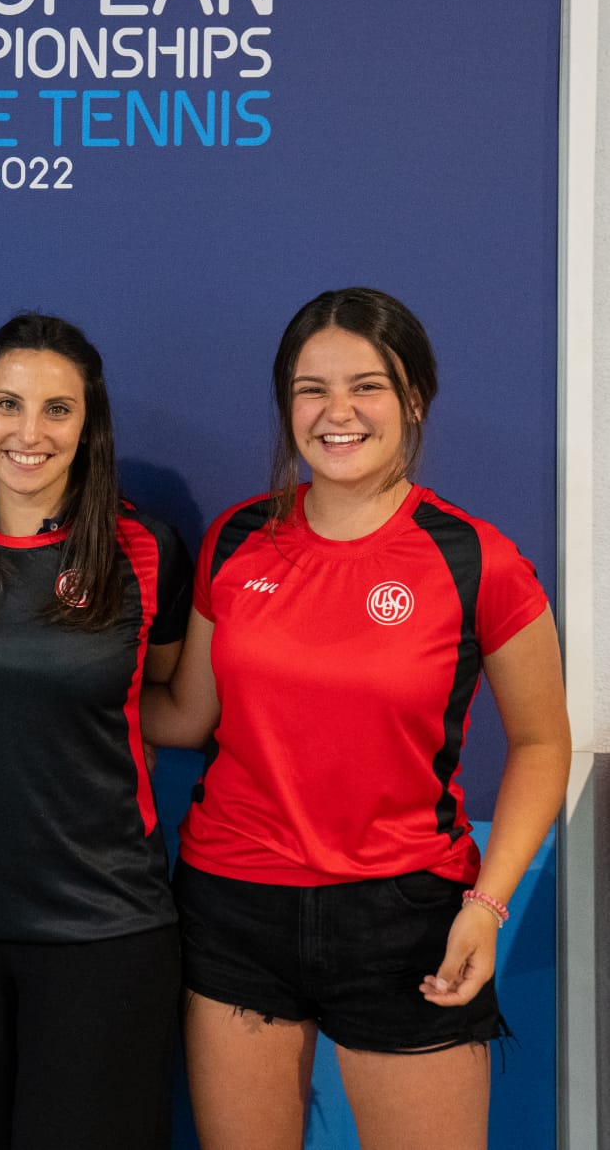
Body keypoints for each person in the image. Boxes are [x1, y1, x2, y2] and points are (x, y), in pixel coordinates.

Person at [142, 287, 571, 1150]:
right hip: (235, 907)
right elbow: (185, 714)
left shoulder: (474, 558)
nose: (336, 412)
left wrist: (486, 907)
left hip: (405, 917)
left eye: (365, 386)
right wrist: (49, 680)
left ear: (413, 399)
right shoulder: (237, 539)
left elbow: (540, 742)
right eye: (310, 389)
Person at [0, 314, 191, 1149]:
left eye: (56, 409)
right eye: (8, 405)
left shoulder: (144, 551)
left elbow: (166, 695)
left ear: (89, 425)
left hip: (102, 931)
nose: (29, 432)